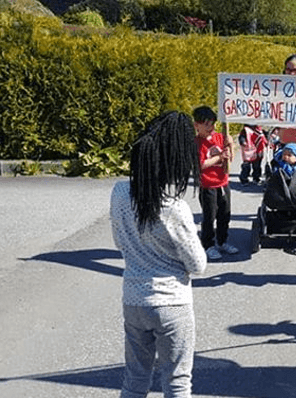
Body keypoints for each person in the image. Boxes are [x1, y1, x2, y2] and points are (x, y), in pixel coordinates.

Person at [110, 111, 207, 398]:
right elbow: (198, 264)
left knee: (135, 380)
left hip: (133, 300)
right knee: (177, 382)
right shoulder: (174, 207)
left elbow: (120, 243)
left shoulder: (119, 192)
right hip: (172, 304)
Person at [192, 105, 237, 261]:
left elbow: (230, 158)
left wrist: (231, 146)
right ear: (196, 125)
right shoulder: (197, 143)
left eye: (212, 124)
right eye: (206, 125)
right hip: (208, 185)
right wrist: (219, 157)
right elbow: (201, 164)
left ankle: (222, 241)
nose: (210, 128)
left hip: (223, 183)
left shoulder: (220, 137)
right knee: (209, 216)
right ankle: (208, 245)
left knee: (225, 214)